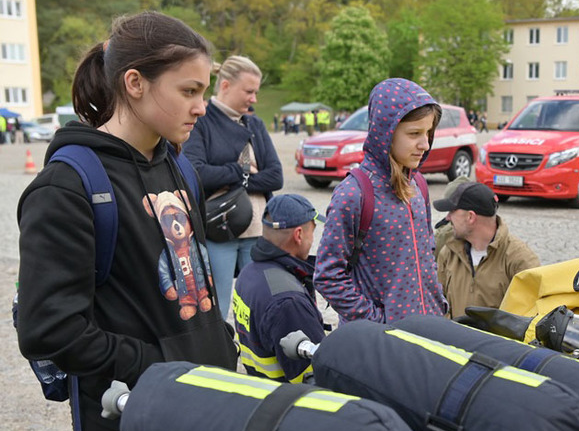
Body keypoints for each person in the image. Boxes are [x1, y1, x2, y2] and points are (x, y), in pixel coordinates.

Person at [16, 12, 237, 431]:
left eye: (204, 91)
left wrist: (220, 346)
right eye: (189, 91)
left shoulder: (180, 167)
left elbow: (191, 283)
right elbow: (49, 331)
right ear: (134, 83)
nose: (202, 107)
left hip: (210, 408)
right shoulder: (67, 187)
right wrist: (158, 368)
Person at [314, 78, 447, 323]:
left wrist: (437, 301)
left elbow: (427, 251)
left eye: (428, 132)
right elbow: (327, 276)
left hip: (428, 328)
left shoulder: (419, 185)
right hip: (381, 342)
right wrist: (376, 320)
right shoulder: (354, 193)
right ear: (385, 133)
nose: (425, 143)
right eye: (414, 133)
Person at [184, 55, 283, 320]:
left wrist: (235, 178)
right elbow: (196, 173)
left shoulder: (255, 123)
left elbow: (275, 177)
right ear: (225, 85)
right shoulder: (201, 122)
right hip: (219, 230)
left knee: (258, 306)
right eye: (249, 91)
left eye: (256, 92)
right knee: (217, 308)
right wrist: (241, 171)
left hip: (257, 230)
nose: (254, 99)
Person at [233, 194, 326, 384]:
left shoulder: (249, 273)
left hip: (262, 389)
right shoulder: (288, 302)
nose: (312, 239)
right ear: (298, 235)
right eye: (312, 232)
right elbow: (315, 377)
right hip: (289, 402)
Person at [433, 182, 539, 319]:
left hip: (496, 340)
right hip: (455, 339)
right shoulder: (448, 253)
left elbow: (534, 316)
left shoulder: (520, 259)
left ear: (470, 217)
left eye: (452, 211)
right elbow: (439, 305)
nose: (447, 218)